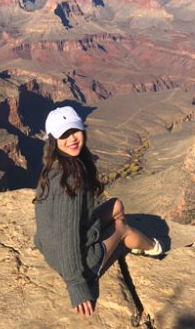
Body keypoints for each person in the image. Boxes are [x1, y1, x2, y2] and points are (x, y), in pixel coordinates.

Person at [33, 106, 163, 318]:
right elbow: (67, 237)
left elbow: (49, 220)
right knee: (122, 228)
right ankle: (153, 247)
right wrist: (76, 284)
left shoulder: (54, 166)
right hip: (76, 263)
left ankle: (117, 244)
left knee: (117, 205)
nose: (72, 139)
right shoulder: (71, 179)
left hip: (57, 246)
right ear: (53, 141)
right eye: (64, 135)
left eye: (74, 131)